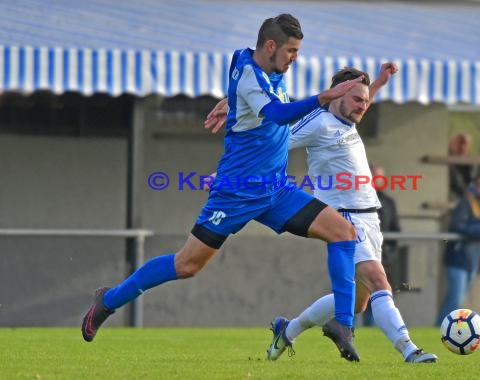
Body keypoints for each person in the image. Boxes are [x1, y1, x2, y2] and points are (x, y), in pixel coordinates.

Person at [81, 14, 365, 361]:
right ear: (271, 46)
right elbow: (276, 114)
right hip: (236, 193)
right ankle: (107, 301)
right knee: (187, 265)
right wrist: (324, 97)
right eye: (291, 50)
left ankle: (342, 324)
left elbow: (253, 94)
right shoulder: (252, 75)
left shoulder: (249, 62)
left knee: (344, 233)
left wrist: (232, 104)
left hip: (276, 190)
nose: (295, 58)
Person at [266, 68, 437, 363]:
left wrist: (381, 81)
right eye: (357, 99)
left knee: (358, 303)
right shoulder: (318, 122)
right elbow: (273, 145)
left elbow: (364, 98)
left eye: (366, 102)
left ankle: (287, 330)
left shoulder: (348, 116)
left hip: (371, 219)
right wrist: (229, 175)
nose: (363, 106)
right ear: (338, 94)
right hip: (343, 219)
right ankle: (409, 349)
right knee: (379, 279)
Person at [436, 167, 480, 325]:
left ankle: (442, 328)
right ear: (475, 186)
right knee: (456, 299)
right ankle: (440, 329)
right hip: (458, 256)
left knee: (459, 298)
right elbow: (458, 226)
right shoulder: (466, 202)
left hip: (474, 257)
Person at [362, 164, 402, 326]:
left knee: (380, 297)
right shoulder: (359, 200)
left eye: (380, 176)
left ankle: (374, 331)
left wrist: (390, 256)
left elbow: (396, 231)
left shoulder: (389, 202)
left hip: (384, 259)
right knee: (360, 298)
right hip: (363, 256)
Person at [448, 133, 473, 201]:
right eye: (459, 143)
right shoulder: (448, 164)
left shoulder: (471, 164)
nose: (462, 147)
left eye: (466, 144)